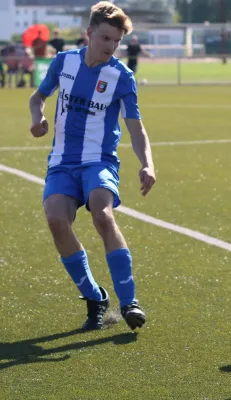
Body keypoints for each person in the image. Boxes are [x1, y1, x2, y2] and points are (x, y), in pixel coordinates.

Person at [28, 1, 156, 331]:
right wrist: (37, 118)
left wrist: (147, 164)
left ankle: (129, 301)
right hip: (62, 161)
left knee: (102, 213)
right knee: (56, 220)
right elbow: (37, 97)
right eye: (105, 39)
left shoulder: (121, 76)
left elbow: (135, 127)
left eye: (116, 41)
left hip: (99, 161)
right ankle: (94, 295)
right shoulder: (63, 62)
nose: (111, 47)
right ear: (89, 34)